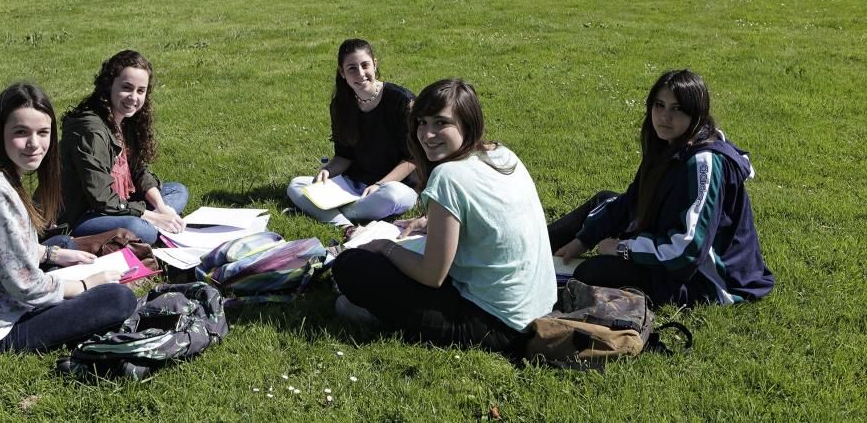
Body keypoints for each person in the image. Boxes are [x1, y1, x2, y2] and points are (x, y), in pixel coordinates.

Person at [331, 79, 557, 360]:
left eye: (441, 123)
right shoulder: (501, 154)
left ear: (467, 122)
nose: (427, 134)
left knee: (350, 266)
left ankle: (378, 316)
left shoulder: (448, 176)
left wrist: (383, 247)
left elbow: (432, 275)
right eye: (422, 123)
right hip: (539, 304)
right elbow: (487, 214)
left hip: (495, 324)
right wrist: (429, 222)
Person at [0, 83, 137, 354]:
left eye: (43, 133)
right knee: (118, 298)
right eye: (21, 132)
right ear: (0, 131)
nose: (34, 144)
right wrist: (87, 284)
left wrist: (52, 254)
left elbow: (3, 246)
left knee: (64, 244)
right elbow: (26, 286)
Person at [552, 69, 775, 306]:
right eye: (659, 105)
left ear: (696, 113)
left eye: (676, 108)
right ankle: (533, 246)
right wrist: (583, 240)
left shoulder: (704, 163)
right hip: (670, 252)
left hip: (705, 279)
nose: (664, 116)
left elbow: (687, 250)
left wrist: (622, 249)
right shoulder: (667, 144)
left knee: (591, 272)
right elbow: (632, 201)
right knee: (604, 201)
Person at [286, 38, 418, 228]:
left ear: (375, 64)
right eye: (352, 69)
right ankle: (345, 223)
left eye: (365, 65)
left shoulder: (401, 101)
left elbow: (412, 159)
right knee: (296, 185)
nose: (361, 74)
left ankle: (332, 213)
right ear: (342, 73)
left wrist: (380, 185)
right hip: (354, 183)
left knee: (394, 197)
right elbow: (344, 156)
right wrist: (327, 171)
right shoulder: (341, 105)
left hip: (394, 184)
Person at [60, 50, 188, 245]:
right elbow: (101, 198)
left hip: (121, 204)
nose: (133, 97)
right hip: (87, 215)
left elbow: (137, 170)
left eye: (140, 91)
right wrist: (151, 216)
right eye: (127, 88)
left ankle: (156, 223)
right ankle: (152, 227)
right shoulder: (91, 131)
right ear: (109, 85)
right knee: (141, 229)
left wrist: (161, 208)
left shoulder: (126, 119)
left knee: (177, 191)